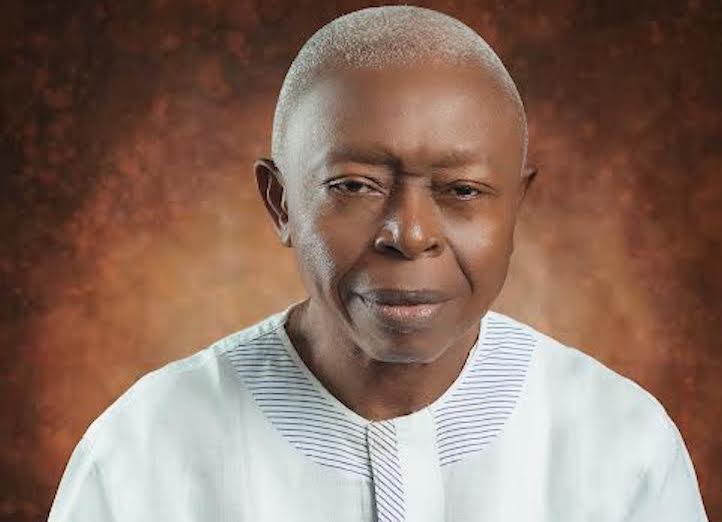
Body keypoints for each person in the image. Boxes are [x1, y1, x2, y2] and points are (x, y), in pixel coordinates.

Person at [47, 5, 709, 521]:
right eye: (356, 186)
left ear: (517, 207)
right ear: (281, 202)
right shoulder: (144, 451)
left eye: (463, 191)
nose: (410, 235)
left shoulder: (622, 446)